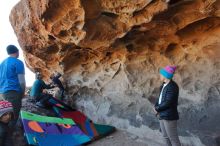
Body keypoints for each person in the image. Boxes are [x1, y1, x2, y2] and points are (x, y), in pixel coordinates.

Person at [154, 65, 181, 146]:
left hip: (169, 116)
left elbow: (168, 102)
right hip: (162, 114)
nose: (160, 76)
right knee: (165, 136)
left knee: (173, 139)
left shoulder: (173, 87)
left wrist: (157, 108)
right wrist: (156, 106)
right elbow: (160, 98)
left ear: (166, 76)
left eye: (161, 74)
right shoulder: (164, 85)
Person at [0, 45, 26, 127]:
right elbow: (21, 81)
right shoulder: (18, 62)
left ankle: (5, 134)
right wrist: (22, 93)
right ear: (17, 51)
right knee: (13, 116)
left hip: (3, 93)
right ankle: (9, 136)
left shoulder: (2, 63)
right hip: (13, 93)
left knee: (4, 115)